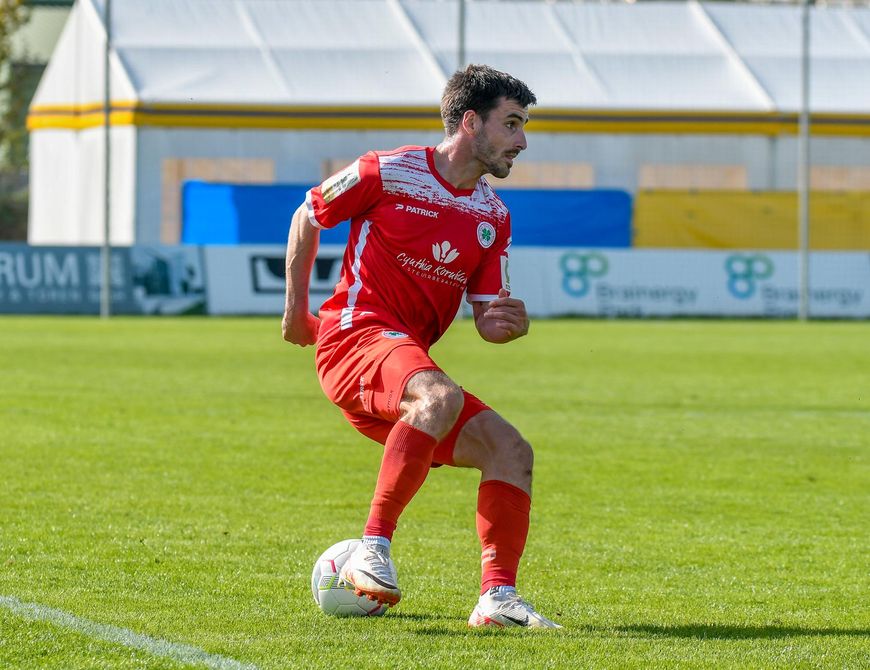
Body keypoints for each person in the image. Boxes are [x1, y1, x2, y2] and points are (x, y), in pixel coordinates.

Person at [282, 64, 560, 629]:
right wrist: (294, 314)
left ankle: (497, 599)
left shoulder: (492, 217)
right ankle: (372, 550)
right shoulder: (384, 171)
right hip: (354, 336)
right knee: (438, 394)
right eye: (512, 124)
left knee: (511, 451)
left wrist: (505, 322)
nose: (522, 140)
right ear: (470, 122)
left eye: (523, 126)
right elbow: (307, 216)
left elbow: (486, 318)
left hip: (406, 366)